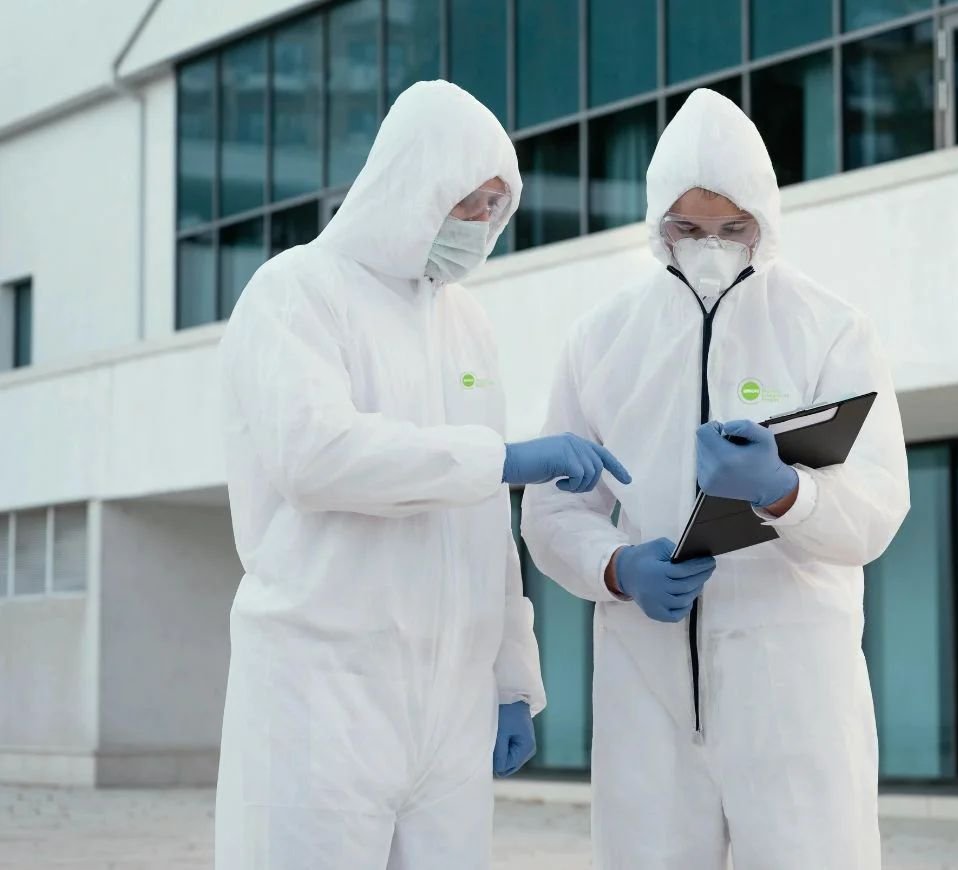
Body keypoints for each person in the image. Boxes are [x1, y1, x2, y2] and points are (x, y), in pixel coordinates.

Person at [214, 80, 630, 870]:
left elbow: (482, 528)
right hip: (325, 685)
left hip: (449, 701)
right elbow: (316, 455)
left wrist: (514, 677)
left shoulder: (465, 322)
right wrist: (502, 460)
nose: (480, 226)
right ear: (413, 185)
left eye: (493, 208)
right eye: (467, 202)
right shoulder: (297, 290)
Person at [521, 88, 910, 869]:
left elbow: (876, 511)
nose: (710, 246)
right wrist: (616, 567)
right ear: (656, 222)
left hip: (795, 686)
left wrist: (785, 491)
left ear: (765, 219)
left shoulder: (830, 328)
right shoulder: (600, 341)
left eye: (733, 228)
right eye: (688, 227)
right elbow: (552, 511)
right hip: (648, 687)